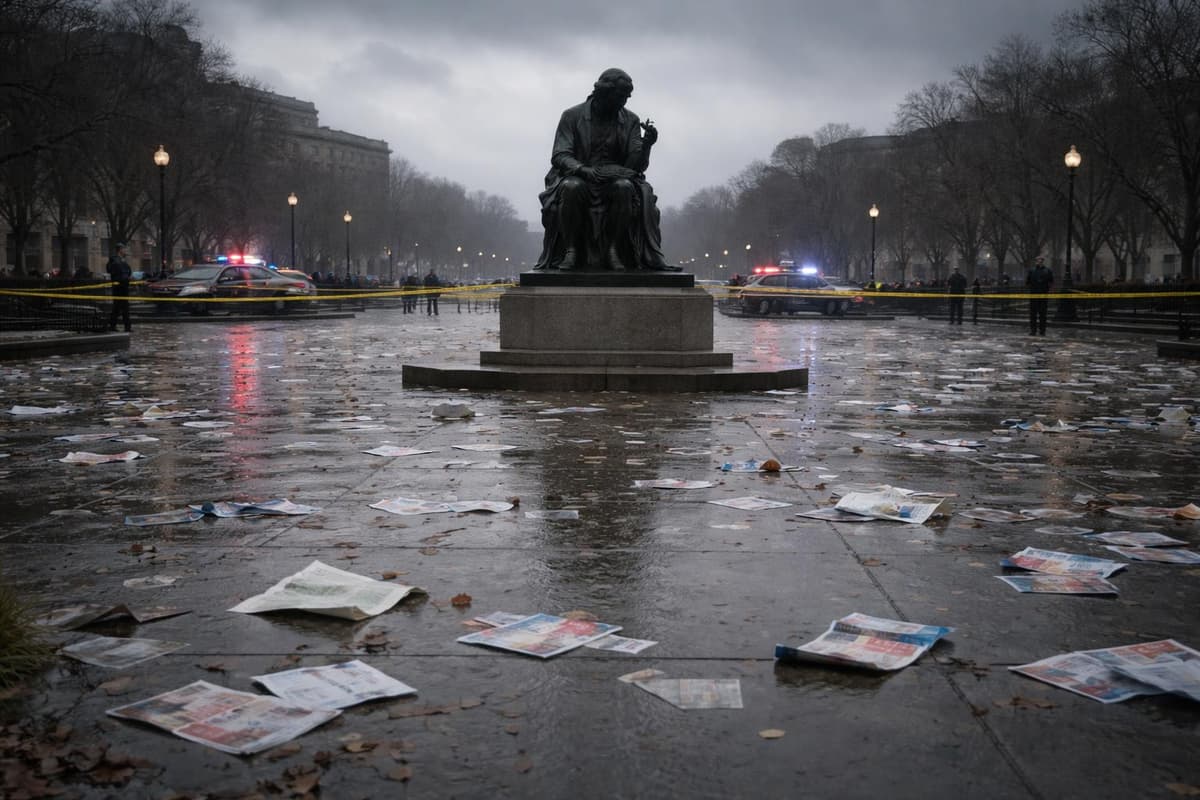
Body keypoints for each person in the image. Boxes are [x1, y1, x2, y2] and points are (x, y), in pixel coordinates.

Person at [534, 68, 675, 271]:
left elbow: (635, 167)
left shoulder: (631, 120)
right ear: (605, 92)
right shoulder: (572, 116)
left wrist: (646, 146)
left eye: (627, 98)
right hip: (579, 177)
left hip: (613, 181)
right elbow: (560, 155)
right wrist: (583, 170)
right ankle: (571, 251)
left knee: (625, 187)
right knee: (572, 188)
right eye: (620, 97)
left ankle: (613, 249)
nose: (624, 102)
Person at [106, 242, 132, 332]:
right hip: (119, 288)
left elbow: (128, 272)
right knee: (119, 307)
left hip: (124, 287)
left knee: (121, 308)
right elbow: (113, 272)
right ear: (120, 250)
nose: (126, 251)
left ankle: (125, 327)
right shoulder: (114, 260)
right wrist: (123, 279)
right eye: (124, 249)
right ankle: (116, 326)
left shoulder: (123, 261)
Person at [1026, 255, 1053, 335]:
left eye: (1040, 260)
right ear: (1036, 261)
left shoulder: (1048, 271)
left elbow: (1051, 282)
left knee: (1043, 314)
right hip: (1034, 295)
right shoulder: (1031, 271)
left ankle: (1042, 330)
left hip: (1043, 295)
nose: (1039, 261)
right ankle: (1033, 330)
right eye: (1038, 260)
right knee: (1033, 314)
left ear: (1043, 261)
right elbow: (1028, 282)